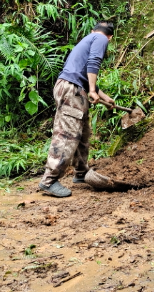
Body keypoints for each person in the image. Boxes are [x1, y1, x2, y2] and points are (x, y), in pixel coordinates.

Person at [39, 21, 116, 198]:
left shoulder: (89, 38)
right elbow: (94, 62)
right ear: (110, 37)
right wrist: (91, 89)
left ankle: (81, 172)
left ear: (92, 29)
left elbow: (81, 75)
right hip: (72, 90)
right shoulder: (101, 39)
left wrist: (103, 97)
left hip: (72, 87)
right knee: (67, 133)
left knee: (82, 132)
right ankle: (49, 180)